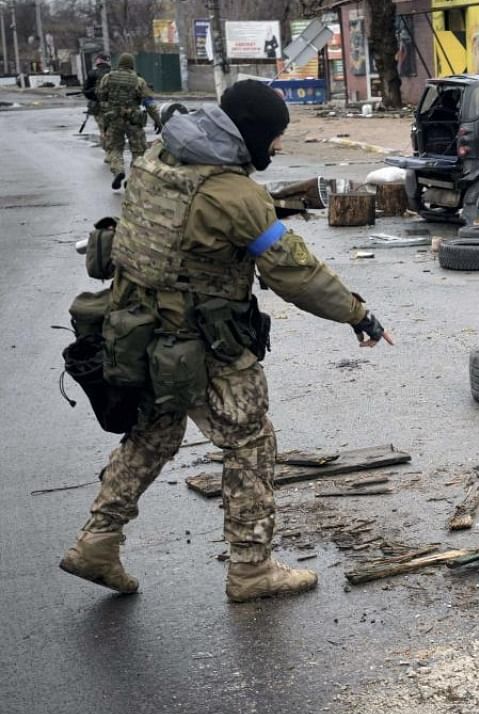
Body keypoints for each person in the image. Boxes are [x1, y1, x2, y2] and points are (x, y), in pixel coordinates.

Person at [59, 80, 394, 603]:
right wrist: (357, 314)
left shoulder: (161, 155)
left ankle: (97, 542)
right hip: (200, 343)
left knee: (152, 436)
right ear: (253, 134)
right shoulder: (234, 195)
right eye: (275, 137)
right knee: (251, 441)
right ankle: (251, 568)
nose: (279, 146)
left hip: (134, 330)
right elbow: (293, 272)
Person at [97, 53, 162, 190]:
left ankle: (119, 170)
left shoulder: (107, 78)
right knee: (138, 151)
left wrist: (105, 120)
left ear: (119, 64)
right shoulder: (139, 81)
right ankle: (132, 177)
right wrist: (157, 120)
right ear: (132, 64)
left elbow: (101, 98)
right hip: (133, 119)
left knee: (115, 148)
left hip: (114, 119)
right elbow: (149, 103)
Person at [83, 53, 113, 156]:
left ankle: (108, 152)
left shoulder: (92, 74)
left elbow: (86, 91)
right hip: (113, 106)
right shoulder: (113, 73)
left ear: (98, 61)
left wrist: (95, 97)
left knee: (102, 129)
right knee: (112, 129)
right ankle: (113, 151)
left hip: (98, 107)